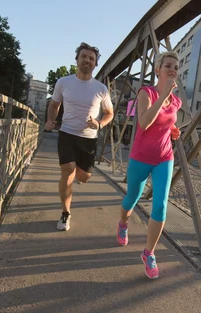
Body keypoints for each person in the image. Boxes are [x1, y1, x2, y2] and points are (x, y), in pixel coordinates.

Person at [115, 51, 182, 279]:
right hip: (141, 156)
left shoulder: (176, 101)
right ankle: (123, 223)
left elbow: (165, 122)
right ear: (158, 70)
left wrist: (173, 131)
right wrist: (163, 95)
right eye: (168, 65)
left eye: (176, 66)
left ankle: (149, 253)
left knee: (161, 205)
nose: (172, 69)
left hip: (164, 157)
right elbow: (144, 123)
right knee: (132, 198)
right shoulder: (147, 92)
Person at [45, 42, 114, 231]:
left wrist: (99, 124)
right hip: (67, 133)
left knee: (83, 177)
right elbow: (53, 105)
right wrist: (51, 121)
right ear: (77, 59)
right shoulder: (63, 82)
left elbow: (109, 113)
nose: (87, 60)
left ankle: (76, 172)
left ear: (95, 64)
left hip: (89, 138)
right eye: (84, 56)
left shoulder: (101, 88)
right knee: (67, 170)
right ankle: (65, 213)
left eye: (91, 58)